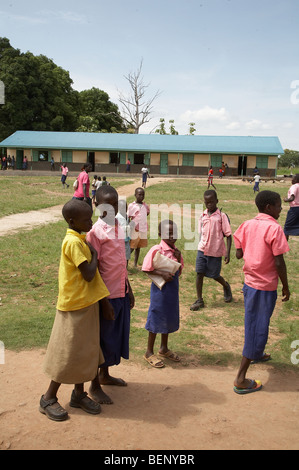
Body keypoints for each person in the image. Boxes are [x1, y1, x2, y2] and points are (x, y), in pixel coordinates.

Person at [40, 199, 110, 421]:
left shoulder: (80, 239)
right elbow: (89, 273)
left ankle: (79, 394)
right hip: (74, 306)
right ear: (72, 221)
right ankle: (48, 397)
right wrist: (96, 255)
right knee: (68, 352)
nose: (91, 222)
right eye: (86, 219)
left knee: (84, 351)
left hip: (85, 303)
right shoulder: (73, 243)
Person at [233, 190, 290, 394]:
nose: (281, 209)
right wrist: (286, 285)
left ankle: (257, 353)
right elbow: (278, 261)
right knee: (257, 328)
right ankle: (240, 378)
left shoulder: (247, 224)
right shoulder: (274, 229)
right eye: (278, 206)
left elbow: (239, 253)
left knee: (257, 323)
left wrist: (247, 250)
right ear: (269, 208)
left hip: (250, 285)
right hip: (263, 287)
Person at [86, 185, 135, 404]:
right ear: (96, 205)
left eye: (115, 205)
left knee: (114, 337)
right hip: (105, 297)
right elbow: (95, 269)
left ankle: (105, 375)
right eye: (106, 205)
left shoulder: (119, 226)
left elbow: (120, 263)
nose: (111, 209)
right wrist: (104, 300)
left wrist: (129, 288)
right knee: (102, 340)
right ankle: (94, 385)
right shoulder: (95, 232)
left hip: (120, 291)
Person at [142, 220, 183, 368]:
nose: (172, 236)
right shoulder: (156, 250)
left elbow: (179, 270)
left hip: (172, 291)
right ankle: (148, 351)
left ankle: (164, 348)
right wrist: (162, 273)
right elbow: (146, 268)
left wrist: (178, 257)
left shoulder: (176, 251)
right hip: (159, 292)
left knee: (168, 318)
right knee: (156, 317)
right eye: (168, 233)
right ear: (160, 234)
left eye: (174, 233)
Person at [190, 190, 232, 311]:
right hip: (202, 249)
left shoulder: (221, 216)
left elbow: (228, 235)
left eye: (212, 202)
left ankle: (225, 285)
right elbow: (201, 233)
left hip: (215, 250)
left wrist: (227, 253)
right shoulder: (202, 216)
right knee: (199, 273)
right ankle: (199, 299)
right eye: (207, 202)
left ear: (217, 201)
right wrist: (199, 245)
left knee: (214, 275)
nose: (209, 205)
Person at [127, 187, 150, 267]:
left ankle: (135, 264)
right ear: (135, 195)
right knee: (132, 247)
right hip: (135, 229)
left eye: (143, 195)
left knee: (138, 247)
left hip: (142, 229)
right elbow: (128, 217)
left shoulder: (145, 206)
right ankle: (124, 261)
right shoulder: (131, 206)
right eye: (139, 195)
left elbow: (147, 213)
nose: (141, 196)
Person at [283, 173, 299, 241]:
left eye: (293, 178)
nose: (292, 180)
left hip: (294, 209)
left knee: (287, 227)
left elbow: (292, 198)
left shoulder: (294, 186)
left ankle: (284, 245)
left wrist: (286, 200)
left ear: (297, 180)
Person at [116, 198, 131, 265]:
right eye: (122, 207)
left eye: (125, 207)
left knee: (127, 254)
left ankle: (126, 267)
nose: (124, 209)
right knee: (120, 254)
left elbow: (128, 223)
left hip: (127, 239)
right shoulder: (117, 217)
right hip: (120, 239)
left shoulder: (127, 216)